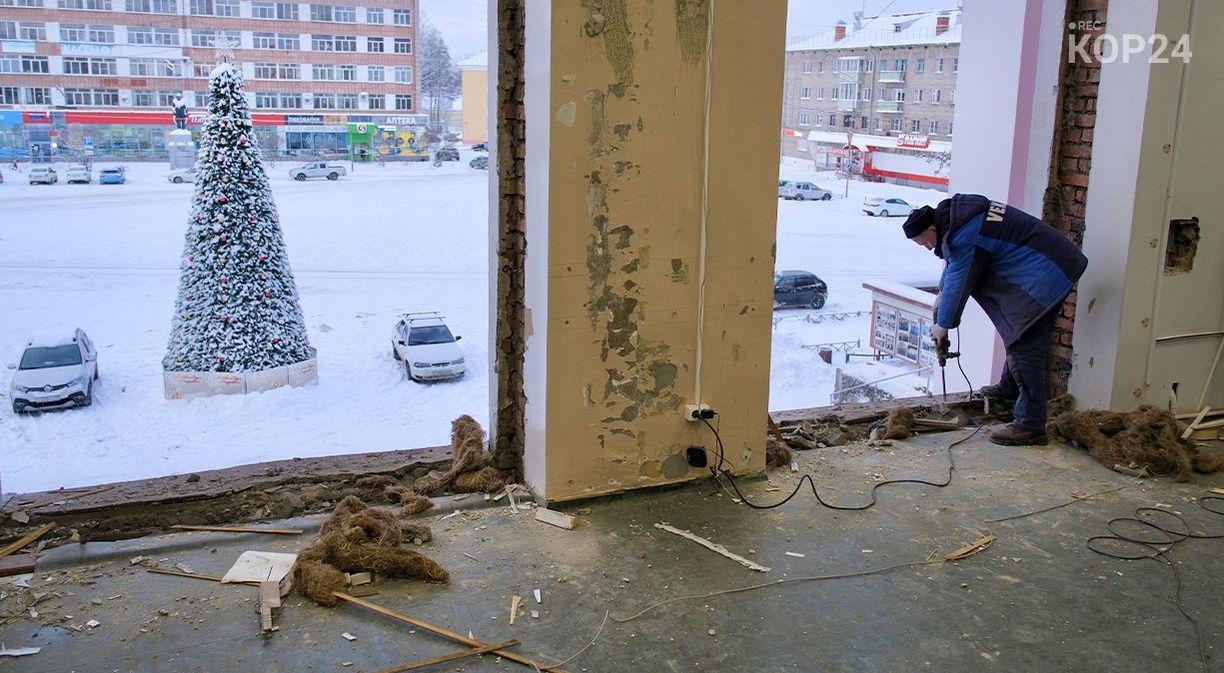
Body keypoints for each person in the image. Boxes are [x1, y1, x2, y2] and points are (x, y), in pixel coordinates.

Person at [902, 195, 1088, 446]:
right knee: (1019, 335)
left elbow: (959, 279)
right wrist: (940, 296)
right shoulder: (960, 220)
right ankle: (1008, 392)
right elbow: (953, 263)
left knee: (1025, 344)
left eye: (924, 241)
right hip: (1050, 265)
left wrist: (943, 325)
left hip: (1045, 274)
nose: (926, 247)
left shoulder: (965, 233)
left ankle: (1031, 425)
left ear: (932, 228)